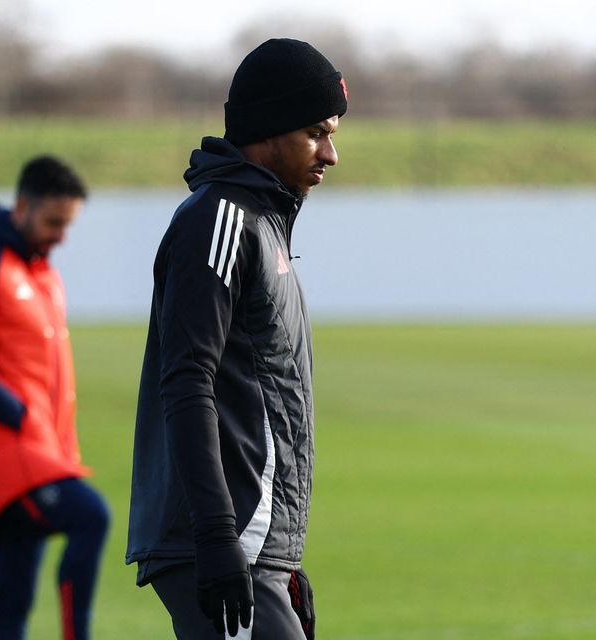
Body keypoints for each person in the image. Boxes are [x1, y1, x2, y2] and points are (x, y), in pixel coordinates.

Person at [126, 38, 349, 639]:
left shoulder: (264, 224)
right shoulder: (219, 219)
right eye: (315, 133)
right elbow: (188, 380)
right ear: (269, 131)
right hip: (225, 542)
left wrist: (283, 560)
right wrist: (221, 540)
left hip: (257, 548)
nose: (331, 153)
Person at [0, 155, 109, 640]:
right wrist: (17, 412)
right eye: (53, 222)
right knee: (91, 516)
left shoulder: (41, 274)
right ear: (22, 206)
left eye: (68, 225)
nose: (60, 236)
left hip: (38, 450)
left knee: (11, 604)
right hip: (4, 452)